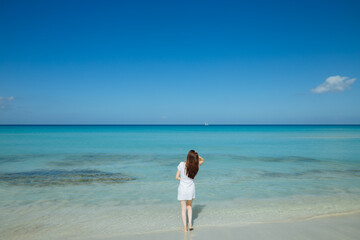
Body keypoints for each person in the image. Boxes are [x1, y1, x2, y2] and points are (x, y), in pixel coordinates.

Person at [175, 150, 205, 232]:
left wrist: (182, 179)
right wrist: (197, 156)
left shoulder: (181, 164)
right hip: (190, 189)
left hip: (182, 189)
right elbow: (203, 160)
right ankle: (190, 225)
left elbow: (176, 177)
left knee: (183, 209)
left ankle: (185, 227)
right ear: (195, 158)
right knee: (189, 207)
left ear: (188, 156)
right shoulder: (196, 166)